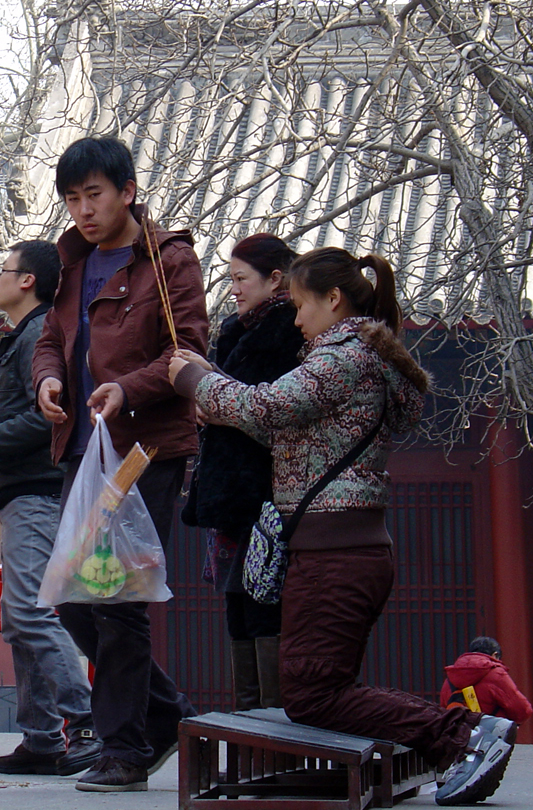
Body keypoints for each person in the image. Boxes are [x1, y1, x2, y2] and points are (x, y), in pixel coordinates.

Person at [170, 247, 517, 807]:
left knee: (312, 695)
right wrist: (220, 391)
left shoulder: (342, 357)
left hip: (335, 556)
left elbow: (263, 408)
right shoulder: (363, 357)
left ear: (333, 300)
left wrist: (193, 381)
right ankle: (455, 738)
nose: (296, 319)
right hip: (347, 550)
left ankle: (464, 735)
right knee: (323, 689)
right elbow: (284, 428)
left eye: (302, 306)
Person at [32, 136, 211, 793]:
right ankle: (164, 717)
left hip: (144, 451)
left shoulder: (168, 262)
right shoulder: (69, 263)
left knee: (117, 597)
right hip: (81, 450)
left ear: (128, 192)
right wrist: (49, 381)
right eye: (72, 198)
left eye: (94, 195)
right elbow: (50, 339)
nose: (82, 209)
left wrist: (126, 389)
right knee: (74, 596)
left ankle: (124, 751)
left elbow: (188, 351)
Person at [0, 240, 101, 777]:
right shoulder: (20, 337)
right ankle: (41, 738)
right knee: (19, 617)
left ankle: (85, 722)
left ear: (28, 282)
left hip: (38, 491)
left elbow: (50, 415)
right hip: (23, 491)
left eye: (3, 271)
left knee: (30, 611)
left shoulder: (39, 336)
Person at [180, 234, 304, 711]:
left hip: (264, 491)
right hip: (229, 492)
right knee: (236, 607)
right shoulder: (234, 330)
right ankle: (251, 719)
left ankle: (272, 723)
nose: (232, 289)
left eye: (240, 279)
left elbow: (264, 407)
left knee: (262, 605)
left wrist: (210, 388)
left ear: (275, 279)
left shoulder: (287, 332)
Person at [441, 637, 533, 725]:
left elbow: (443, 709)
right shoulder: (495, 674)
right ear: (495, 655)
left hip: (458, 736)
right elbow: (522, 709)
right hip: (489, 736)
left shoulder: (452, 675)